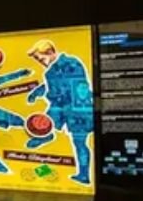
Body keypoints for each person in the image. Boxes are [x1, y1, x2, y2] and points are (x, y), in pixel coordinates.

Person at [25, 40, 94, 185]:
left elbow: (74, 86)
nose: (41, 62)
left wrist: (54, 95)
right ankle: (46, 134)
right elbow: (51, 86)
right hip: (61, 106)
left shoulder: (71, 63)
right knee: (48, 119)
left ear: (50, 52)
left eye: (41, 58)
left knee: (79, 143)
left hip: (78, 109)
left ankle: (83, 175)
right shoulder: (50, 72)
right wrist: (36, 92)